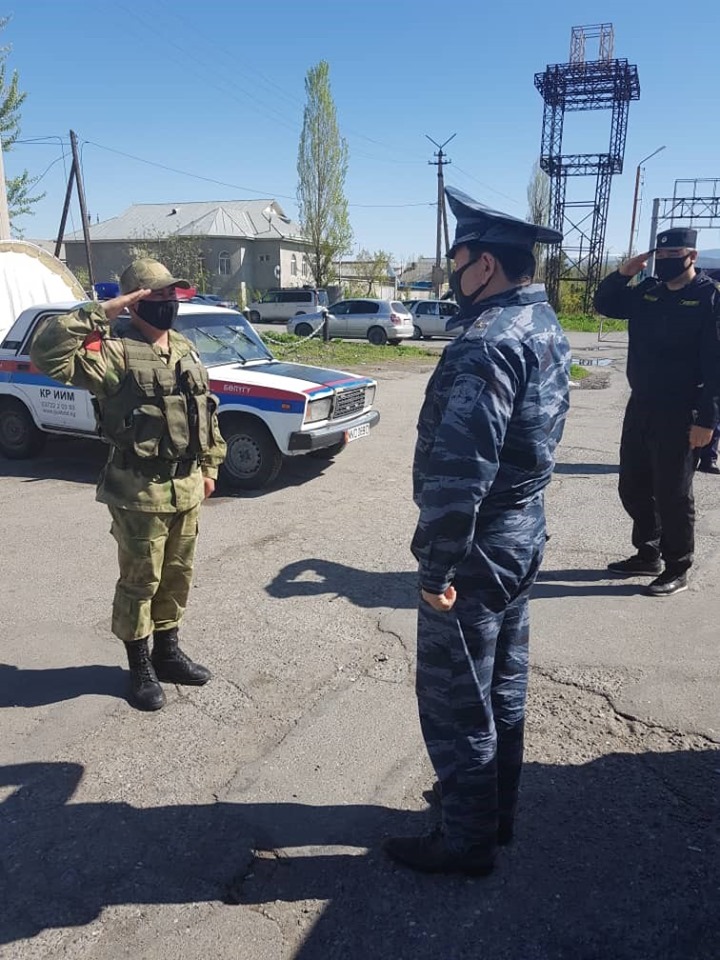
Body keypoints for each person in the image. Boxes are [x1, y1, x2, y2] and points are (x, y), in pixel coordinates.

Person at [384, 188, 570, 876]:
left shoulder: (487, 343)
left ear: (484, 265)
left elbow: (462, 472)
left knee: (459, 698)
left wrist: (435, 568)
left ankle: (465, 842)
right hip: (522, 531)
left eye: (457, 262)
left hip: (479, 546)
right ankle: (495, 814)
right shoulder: (541, 323)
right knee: (503, 686)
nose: (453, 274)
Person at [30, 259, 227, 711]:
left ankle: (167, 653)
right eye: (156, 295)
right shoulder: (114, 353)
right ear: (135, 300)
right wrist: (102, 311)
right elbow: (47, 354)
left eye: (171, 295)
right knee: (141, 581)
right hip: (139, 491)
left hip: (187, 487)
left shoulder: (184, 347)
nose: (168, 303)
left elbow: (205, 411)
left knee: (177, 575)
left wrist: (210, 467)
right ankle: (139, 666)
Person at [594, 229, 720, 597]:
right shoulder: (649, 292)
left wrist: (707, 420)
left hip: (682, 409)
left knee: (672, 492)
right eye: (660, 254)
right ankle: (648, 552)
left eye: (673, 253)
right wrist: (623, 273)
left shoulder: (709, 298)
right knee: (633, 484)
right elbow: (606, 304)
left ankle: (678, 565)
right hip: (642, 404)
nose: (664, 260)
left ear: (691, 256)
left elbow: (717, 365)